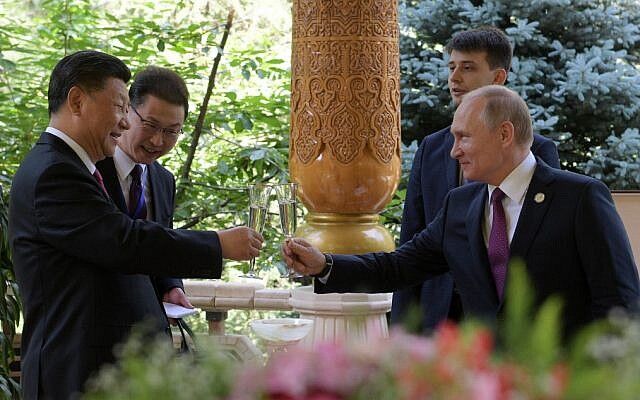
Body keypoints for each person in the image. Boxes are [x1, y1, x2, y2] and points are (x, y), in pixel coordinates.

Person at [283, 85, 639, 341]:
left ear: (504, 134)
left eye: (464, 137)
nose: (454, 151)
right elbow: (399, 266)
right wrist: (325, 265)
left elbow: (620, 305)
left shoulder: (580, 198)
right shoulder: (460, 205)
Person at [8, 50, 263, 400]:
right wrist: (217, 244)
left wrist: (169, 286)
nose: (125, 123)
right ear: (77, 101)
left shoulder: (74, 165)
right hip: (78, 371)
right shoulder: (55, 172)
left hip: (120, 369)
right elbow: (123, 241)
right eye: (119, 108)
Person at [392, 27, 561, 333]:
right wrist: (400, 332)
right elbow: (411, 239)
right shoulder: (432, 148)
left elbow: (544, 244)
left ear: (498, 77)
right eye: (451, 67)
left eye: (468, 68)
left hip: (506, 319)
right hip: (439, 318)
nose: (454, 78)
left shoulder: (537, 151)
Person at [96, 66, 192, 324]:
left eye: (171, 132)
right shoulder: (91, 169)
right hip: (98, 327)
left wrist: (172, 286)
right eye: (150, 125)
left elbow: (161, 247)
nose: (158, 141)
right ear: (126, 111)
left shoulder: (164, 180)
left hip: (148, 333)